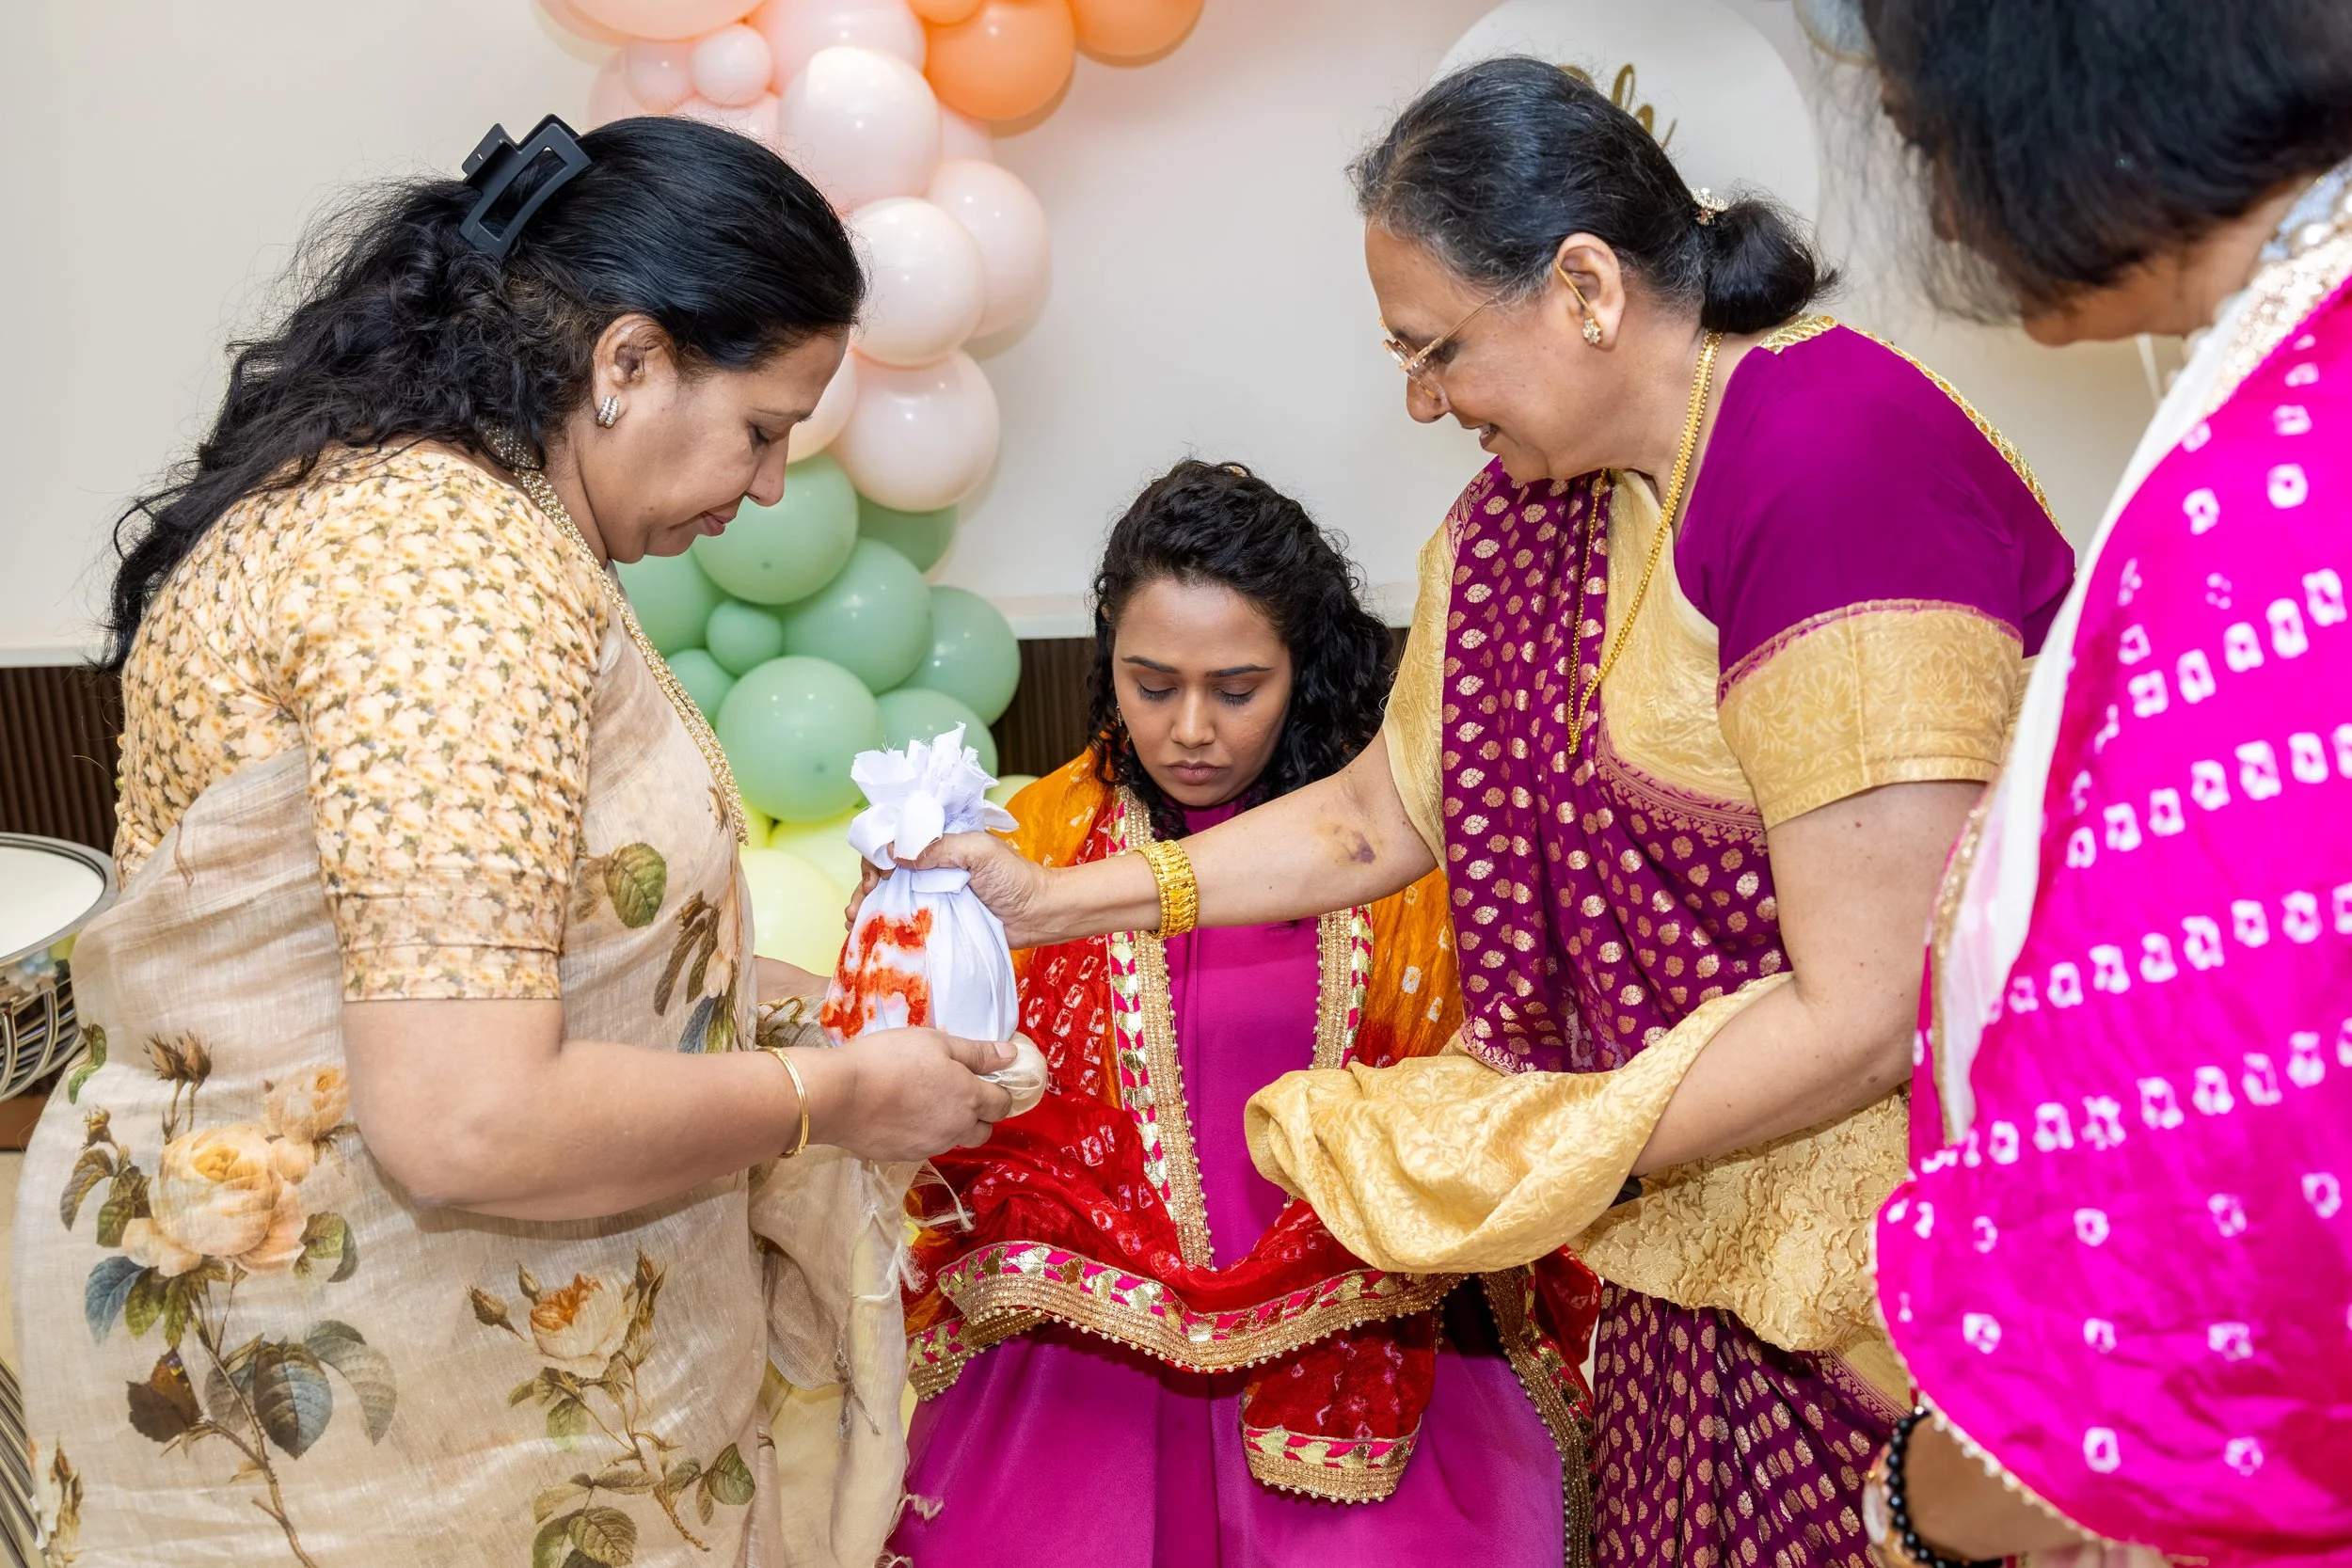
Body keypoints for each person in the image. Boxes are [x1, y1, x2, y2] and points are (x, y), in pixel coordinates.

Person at [907, 59, 2073, 1567]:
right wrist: (1059, 899)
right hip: (1680, 1266)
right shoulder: (1532, 515)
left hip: (1899, 1271)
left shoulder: (1833, 460)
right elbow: (1377, 815)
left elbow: (1870, 1007)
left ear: (1585, 287)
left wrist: (1522, 1151)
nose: (1422, 399)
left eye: (1436, 348)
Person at [14, 115, 1012, 1567]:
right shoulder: (449, 570)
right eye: (763, 427)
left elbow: (479, 949)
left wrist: (809, 1006)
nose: (771, 485)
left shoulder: (434, 505)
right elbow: (465, 1117)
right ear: (628, 361)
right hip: (382, 1432)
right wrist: (837, 1092)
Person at [886, 460, 1598, 1567]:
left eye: (1236, 688)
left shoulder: (1402, 857)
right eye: (1151, 683)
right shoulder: (1041, 838)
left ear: (1302, 666)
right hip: (1091, 1366)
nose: (1190, 729)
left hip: (1370, 1326)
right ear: (1107, 661)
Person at [1851, 2, 2352, 1563]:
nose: (1947, 207)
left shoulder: (2276, 477)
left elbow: (2234, 1145)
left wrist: (1928, 1512)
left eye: (1932, 137)